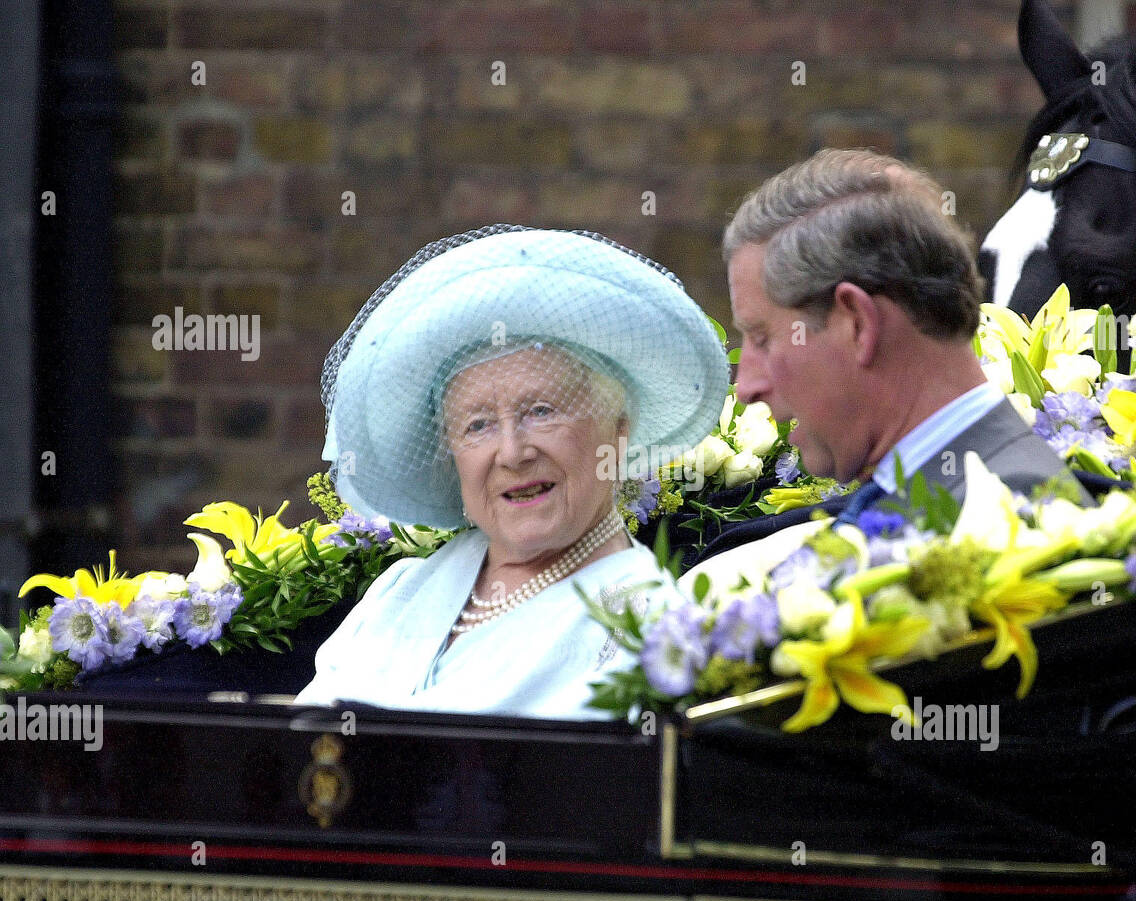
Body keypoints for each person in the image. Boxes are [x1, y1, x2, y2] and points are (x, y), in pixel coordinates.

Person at [295, 226, 730, 719]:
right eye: (477, 425)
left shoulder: (643, 621)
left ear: (619, 429)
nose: (512, 452)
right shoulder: (401, 591)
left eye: (543, 411)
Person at [696, 148, 1089, 567]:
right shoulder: (967, 497)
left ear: (858, 323)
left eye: (762, 338)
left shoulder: (1007, 521)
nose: (746, 388)